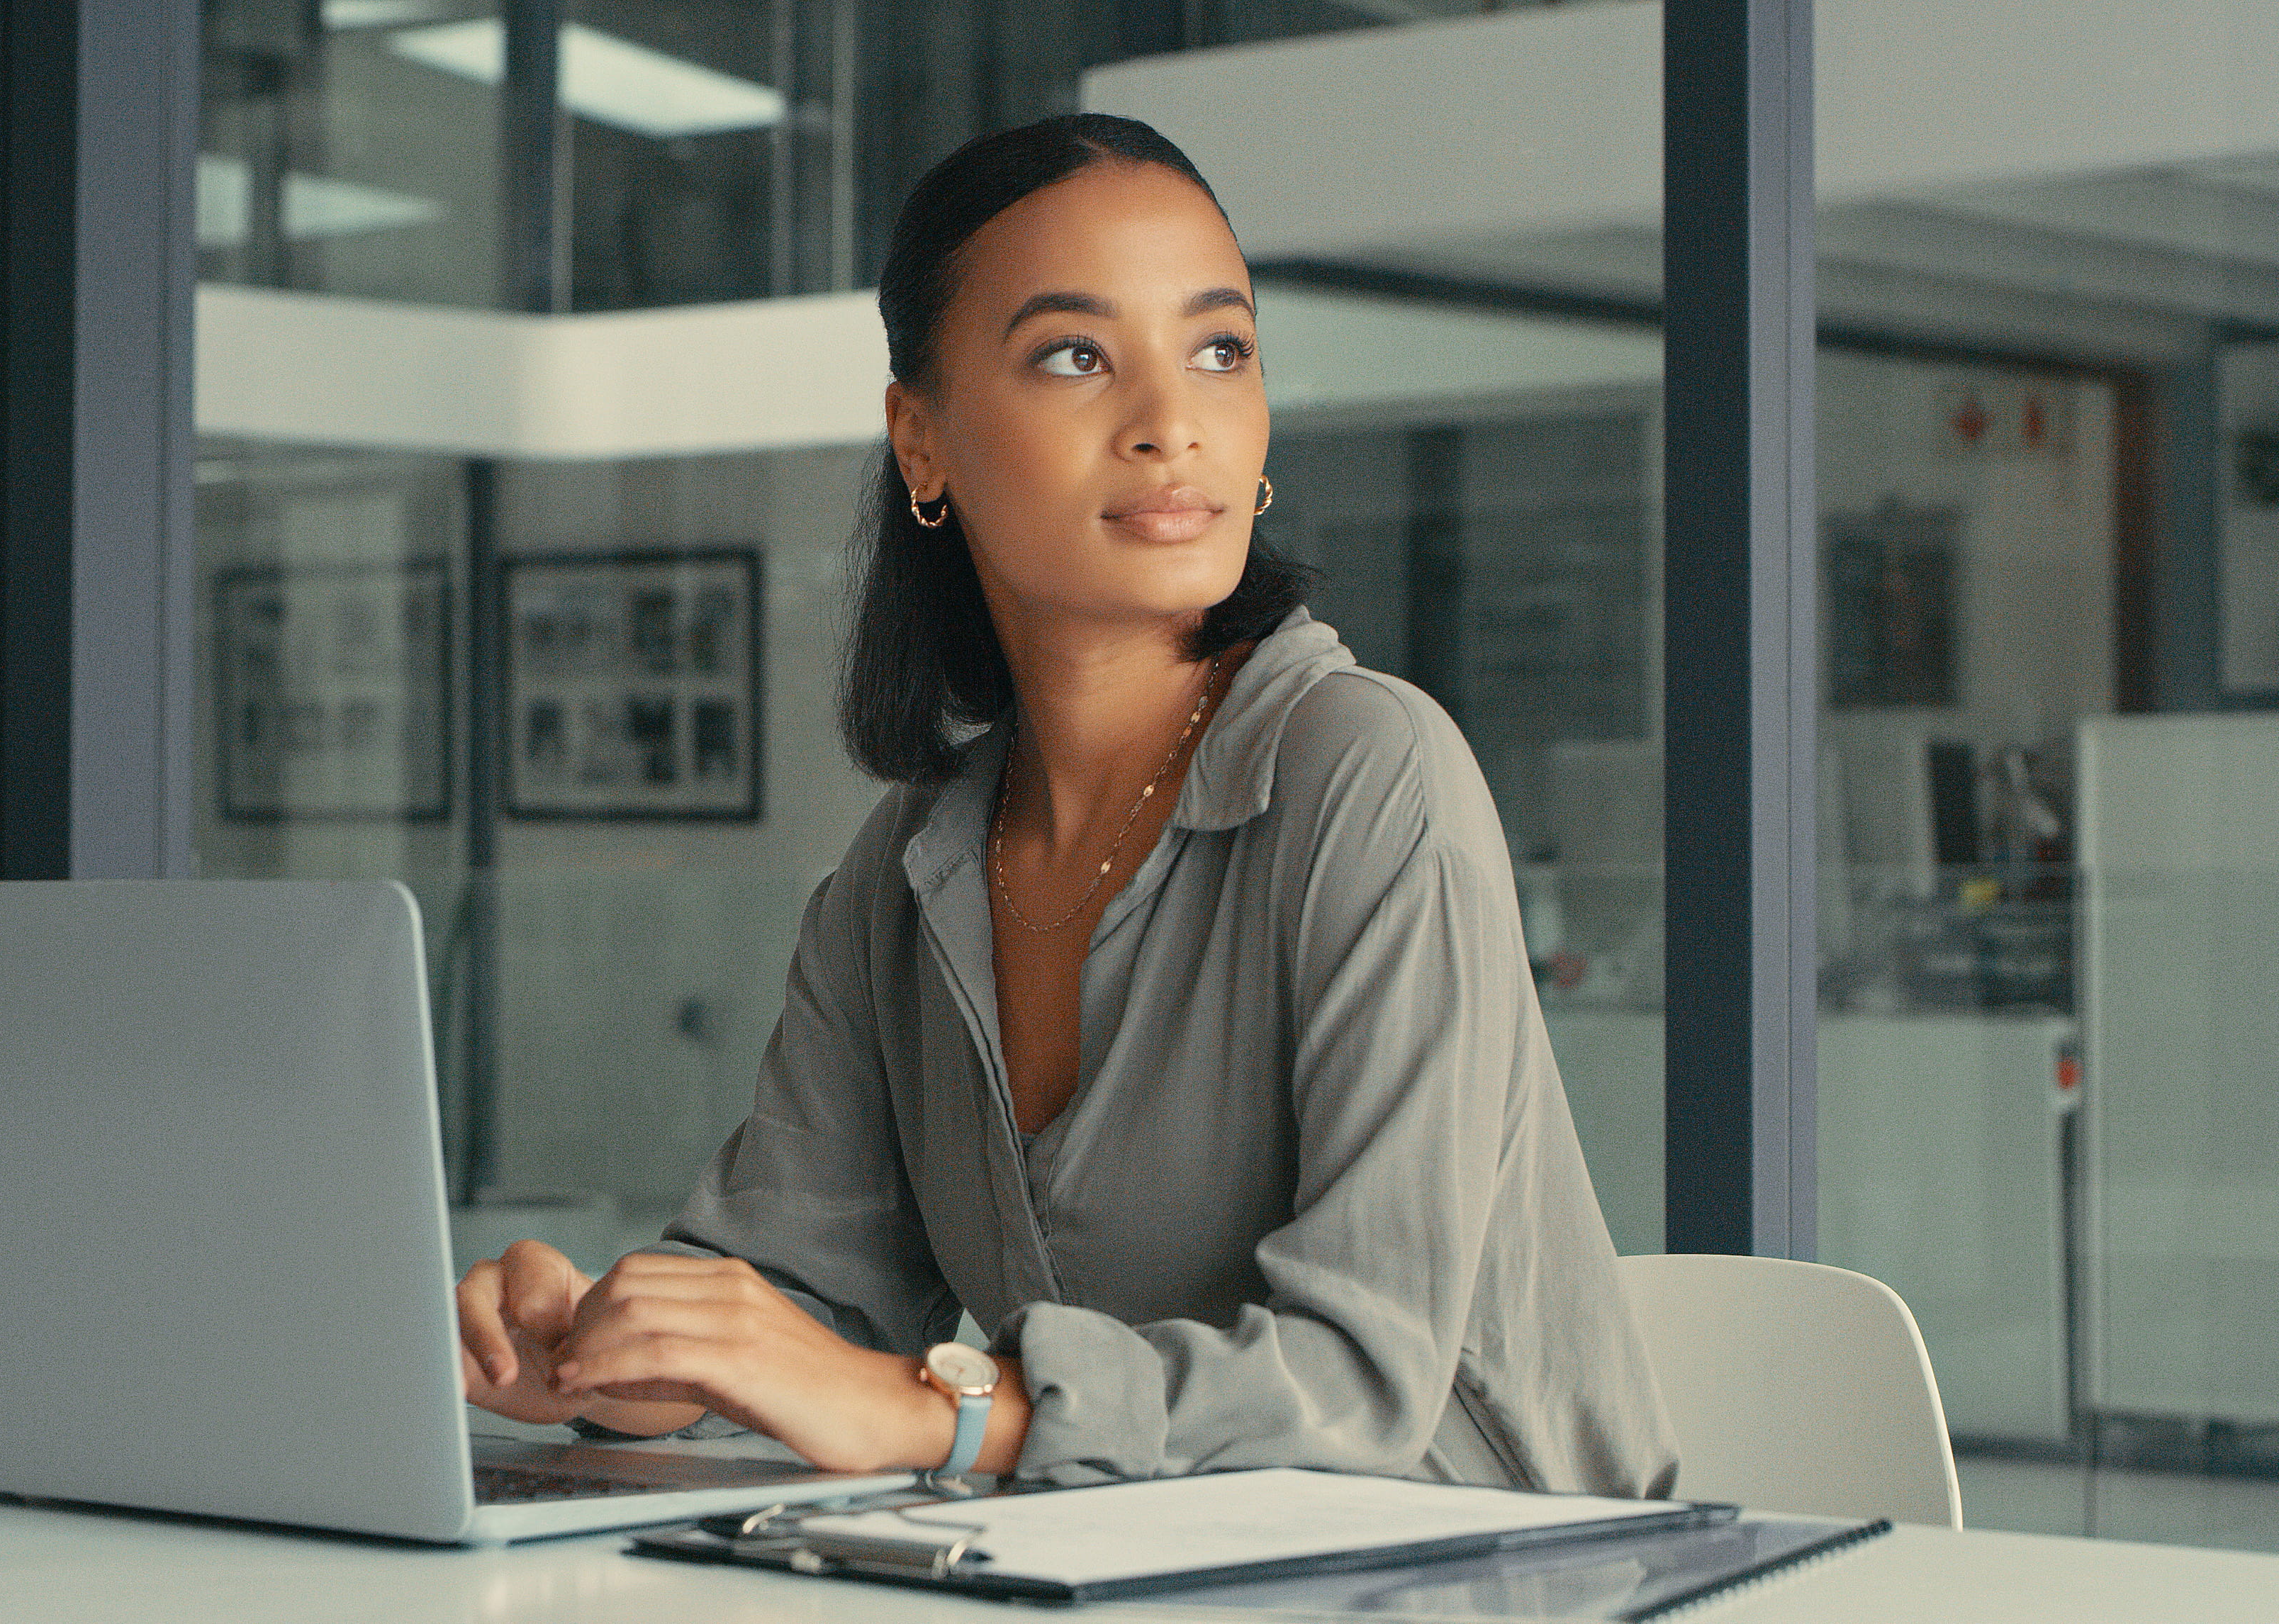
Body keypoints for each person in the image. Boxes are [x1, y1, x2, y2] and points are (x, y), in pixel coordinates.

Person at [456, 113, 1678, 1497]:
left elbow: (1361, 1375)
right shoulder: (903, 875)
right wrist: (609, 1360)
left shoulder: (1370, 774)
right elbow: (804, 1302)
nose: (1171, 422)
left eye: (1218, 348)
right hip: (1129, 1578)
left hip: (1491, 1578)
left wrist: (936, 1414)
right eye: (1075, 356)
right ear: (920, 441)